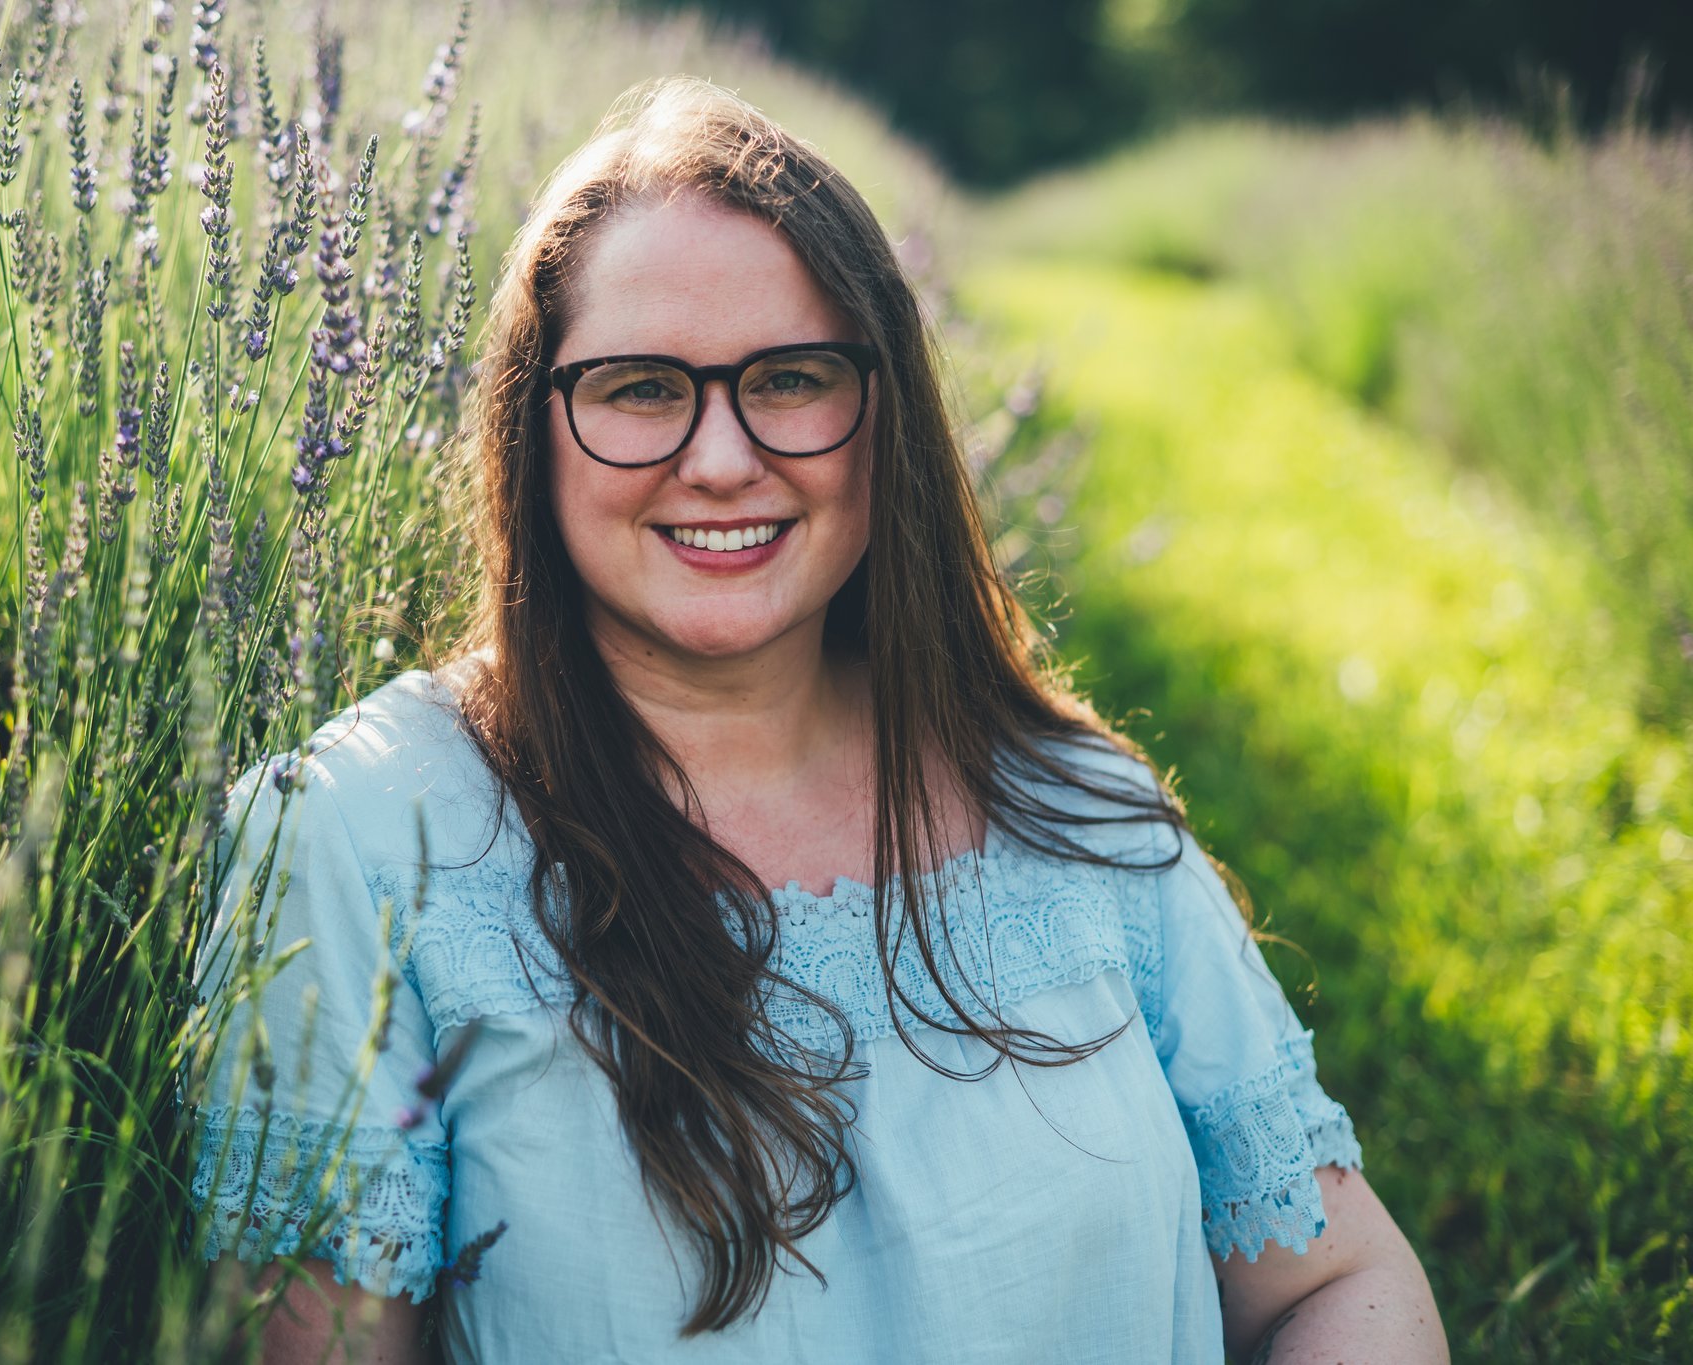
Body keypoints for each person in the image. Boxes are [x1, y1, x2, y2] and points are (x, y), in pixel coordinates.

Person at [190, 76, 1447, 1364]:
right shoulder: (358, 841)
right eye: (639, 388)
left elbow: (1334, 1280)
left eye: (788, 378)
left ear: (880, 417)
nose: (723, 458)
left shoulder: (1078, 808)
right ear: (535, 424)